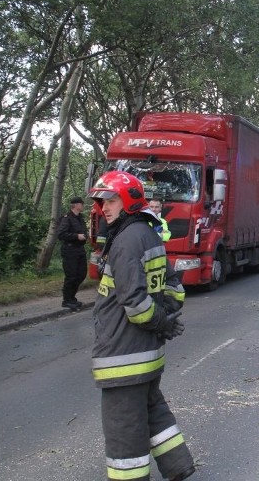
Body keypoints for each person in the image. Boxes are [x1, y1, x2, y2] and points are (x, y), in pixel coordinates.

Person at [88, 171, 196, 481]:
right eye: (101, 202)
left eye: (110, 201)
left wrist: (161, 321)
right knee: (152, 408)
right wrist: (167, 318)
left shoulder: (125, 241)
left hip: (123, 355)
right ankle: (178, 465)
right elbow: (174, 287)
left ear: (128, 202)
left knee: (124, 425)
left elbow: (135, 304)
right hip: (147, 353)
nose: (103, 208)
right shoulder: (149, 234)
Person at [57, 196, 88, 310]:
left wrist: (85, 236)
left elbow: (83, 231)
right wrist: (76, 236)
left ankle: (72, 297)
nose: (83, 205)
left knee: (82, 274)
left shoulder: (80, 218)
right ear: (75, 205)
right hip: (70, 250)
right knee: (71, 276)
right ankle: (67, 300)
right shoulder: (67, 218)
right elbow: (61, 234)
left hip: (80, 250)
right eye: (81, 203)